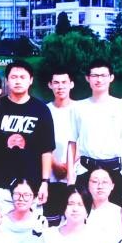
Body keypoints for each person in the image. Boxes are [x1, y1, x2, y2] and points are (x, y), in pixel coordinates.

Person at [0, 60, 55, 214]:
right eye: (13, 77)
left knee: (31, 227)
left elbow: (46, 150)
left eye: (22, 77)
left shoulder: (41, 110)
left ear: (31, 80)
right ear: (7, 80)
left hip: (32, 186)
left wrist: (45, 181)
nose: (18, 81)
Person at [71, 60, 122, 203]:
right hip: (85, 169)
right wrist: (70, 175)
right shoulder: (78, 107)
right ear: (87, 78)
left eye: (103, 75)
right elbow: (72, 143)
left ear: (111, 77)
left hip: (114, 170)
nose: (99, 80)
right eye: (95, 75)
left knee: (114, 212)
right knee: (85, 212)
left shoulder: (121, 106)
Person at [45, 67, 79, 223]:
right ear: (50, 85)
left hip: (75, 175)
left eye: (64, 82)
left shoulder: (80, 109)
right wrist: (54, 163)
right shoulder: (44, 110)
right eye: (56, 83)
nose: (60, 87)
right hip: (49, 175)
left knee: (73, 220)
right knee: (51, 221)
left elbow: (84, 140)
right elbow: (41, 141)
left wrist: (67, 165)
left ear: (71, 84)